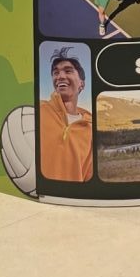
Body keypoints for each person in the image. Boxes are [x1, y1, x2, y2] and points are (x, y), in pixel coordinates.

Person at [38, 46, 94, 180]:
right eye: (55, 73)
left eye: (68, 71)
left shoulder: (91, 128)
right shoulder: (37, 111)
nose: (60, 76)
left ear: (81, 84)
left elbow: (88, 175)